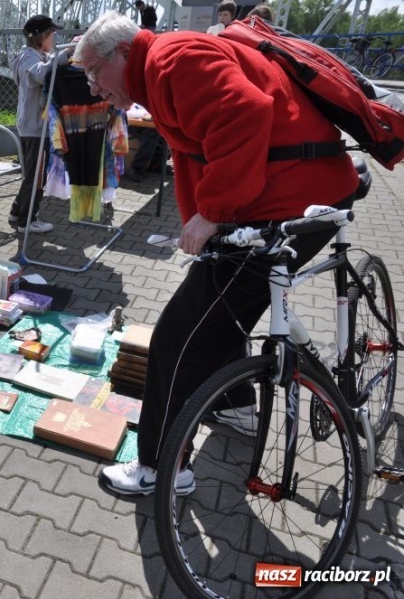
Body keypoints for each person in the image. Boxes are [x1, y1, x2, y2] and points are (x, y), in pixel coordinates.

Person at [76, 12, 359, 496]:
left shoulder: (172, 61)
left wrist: (212, 212)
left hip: (287, 205)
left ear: (122, 53)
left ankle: (161, 470)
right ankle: (237, 408)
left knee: (177, 337)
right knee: (218, 312)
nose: (92, 87)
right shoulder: (160, 68)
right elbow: (200, 149)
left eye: (93, 72)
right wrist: (205, 228)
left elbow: (245, 113)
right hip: (292, 194)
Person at [7, 15, 74, 234]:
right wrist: (65, 55)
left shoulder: (38, 55)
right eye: (52, 34)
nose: (55, 37)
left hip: (35, 125)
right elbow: (40, 74)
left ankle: (17, 212)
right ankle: (27, 221)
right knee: (36, 177)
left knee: (33, 175)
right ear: (41, 36)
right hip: (35, 128)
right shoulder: (28, 57)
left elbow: (46, 66)